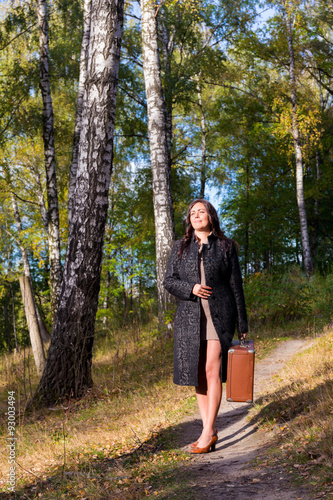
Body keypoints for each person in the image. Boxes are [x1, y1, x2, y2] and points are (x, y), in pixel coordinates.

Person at [163, 199, 248, 454]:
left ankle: (208, 431)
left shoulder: (225, 246)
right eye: (192, 213)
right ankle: (208, 428)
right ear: (189, 220)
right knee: (198, 374)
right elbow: (169, 281)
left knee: (212, 368)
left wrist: (242, 322)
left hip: (219, 315)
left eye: (201, 211)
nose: (196, 215)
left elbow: (236, 285)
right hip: (190, 317)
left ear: (211, 216)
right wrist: (191, 288)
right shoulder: (180, 247)